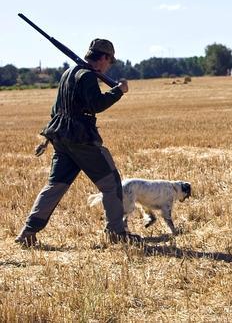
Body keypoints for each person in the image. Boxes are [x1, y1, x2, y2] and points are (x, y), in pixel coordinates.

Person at [14, 39, 141, 247]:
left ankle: (27, 233)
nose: (109, 66)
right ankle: (117, 232)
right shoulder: (88, 75)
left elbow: (56, 110)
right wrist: (118, 91)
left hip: (61, 139)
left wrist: (49, 138)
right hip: (81, 139)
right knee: (111, 183)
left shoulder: (68, 74)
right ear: (104, 58)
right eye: (109, 61)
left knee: (54, 186)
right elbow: (96, 104)